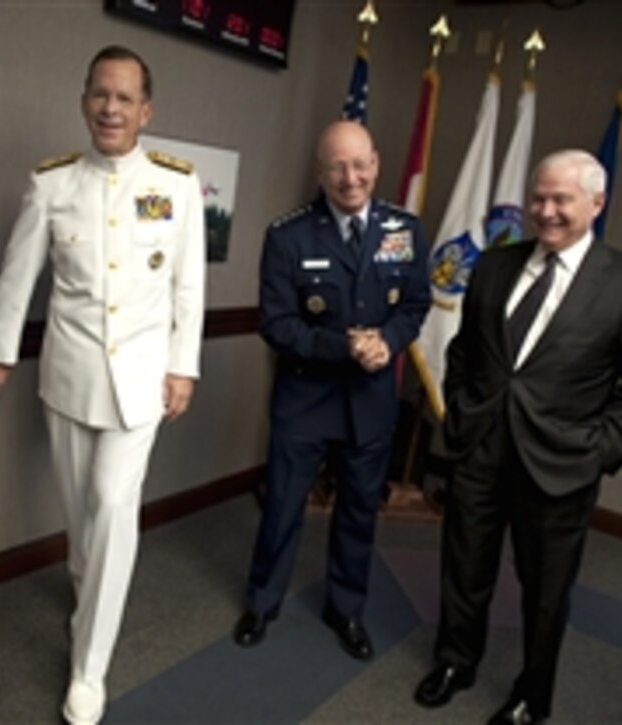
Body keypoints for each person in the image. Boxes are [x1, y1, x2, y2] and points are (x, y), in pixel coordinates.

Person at [0, 45, 205, 725]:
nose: (111, 107)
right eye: (101, 94)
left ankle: (88, 668)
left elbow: (188, 283)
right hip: (68, 376)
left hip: (140, 383)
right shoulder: (53, 184)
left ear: (145, 111)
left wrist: (182, 364)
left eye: (125, 97)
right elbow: (19, 276)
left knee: (111, 504)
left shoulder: (177, 184)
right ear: (84, 102)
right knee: (81, 518)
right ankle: (89, 588)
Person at [413, 150, 622, 724]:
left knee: (546, 591)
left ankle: (533, 694)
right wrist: (460, 412)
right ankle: (457, 661)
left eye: (562, 200)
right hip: (480, 449)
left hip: (561, 465)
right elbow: (465, 354)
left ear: (596, 204)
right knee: (464, 568)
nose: (545, 211)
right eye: (539, 198)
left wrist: (599, 452)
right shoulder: (494, 266)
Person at [233, 120, 431, 660]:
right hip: (306, 400)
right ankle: (262, 600)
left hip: (371, 404)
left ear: (377, 163)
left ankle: (346, 609)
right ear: (321, 172)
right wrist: (341, 346)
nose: (351, 178)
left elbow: (415, 306)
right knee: (282, 509)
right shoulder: (288, 235)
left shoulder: (405, 231)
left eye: (360, 164)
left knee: (359, 514)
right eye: (338, 167)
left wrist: (387, 341)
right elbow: (276, 324)